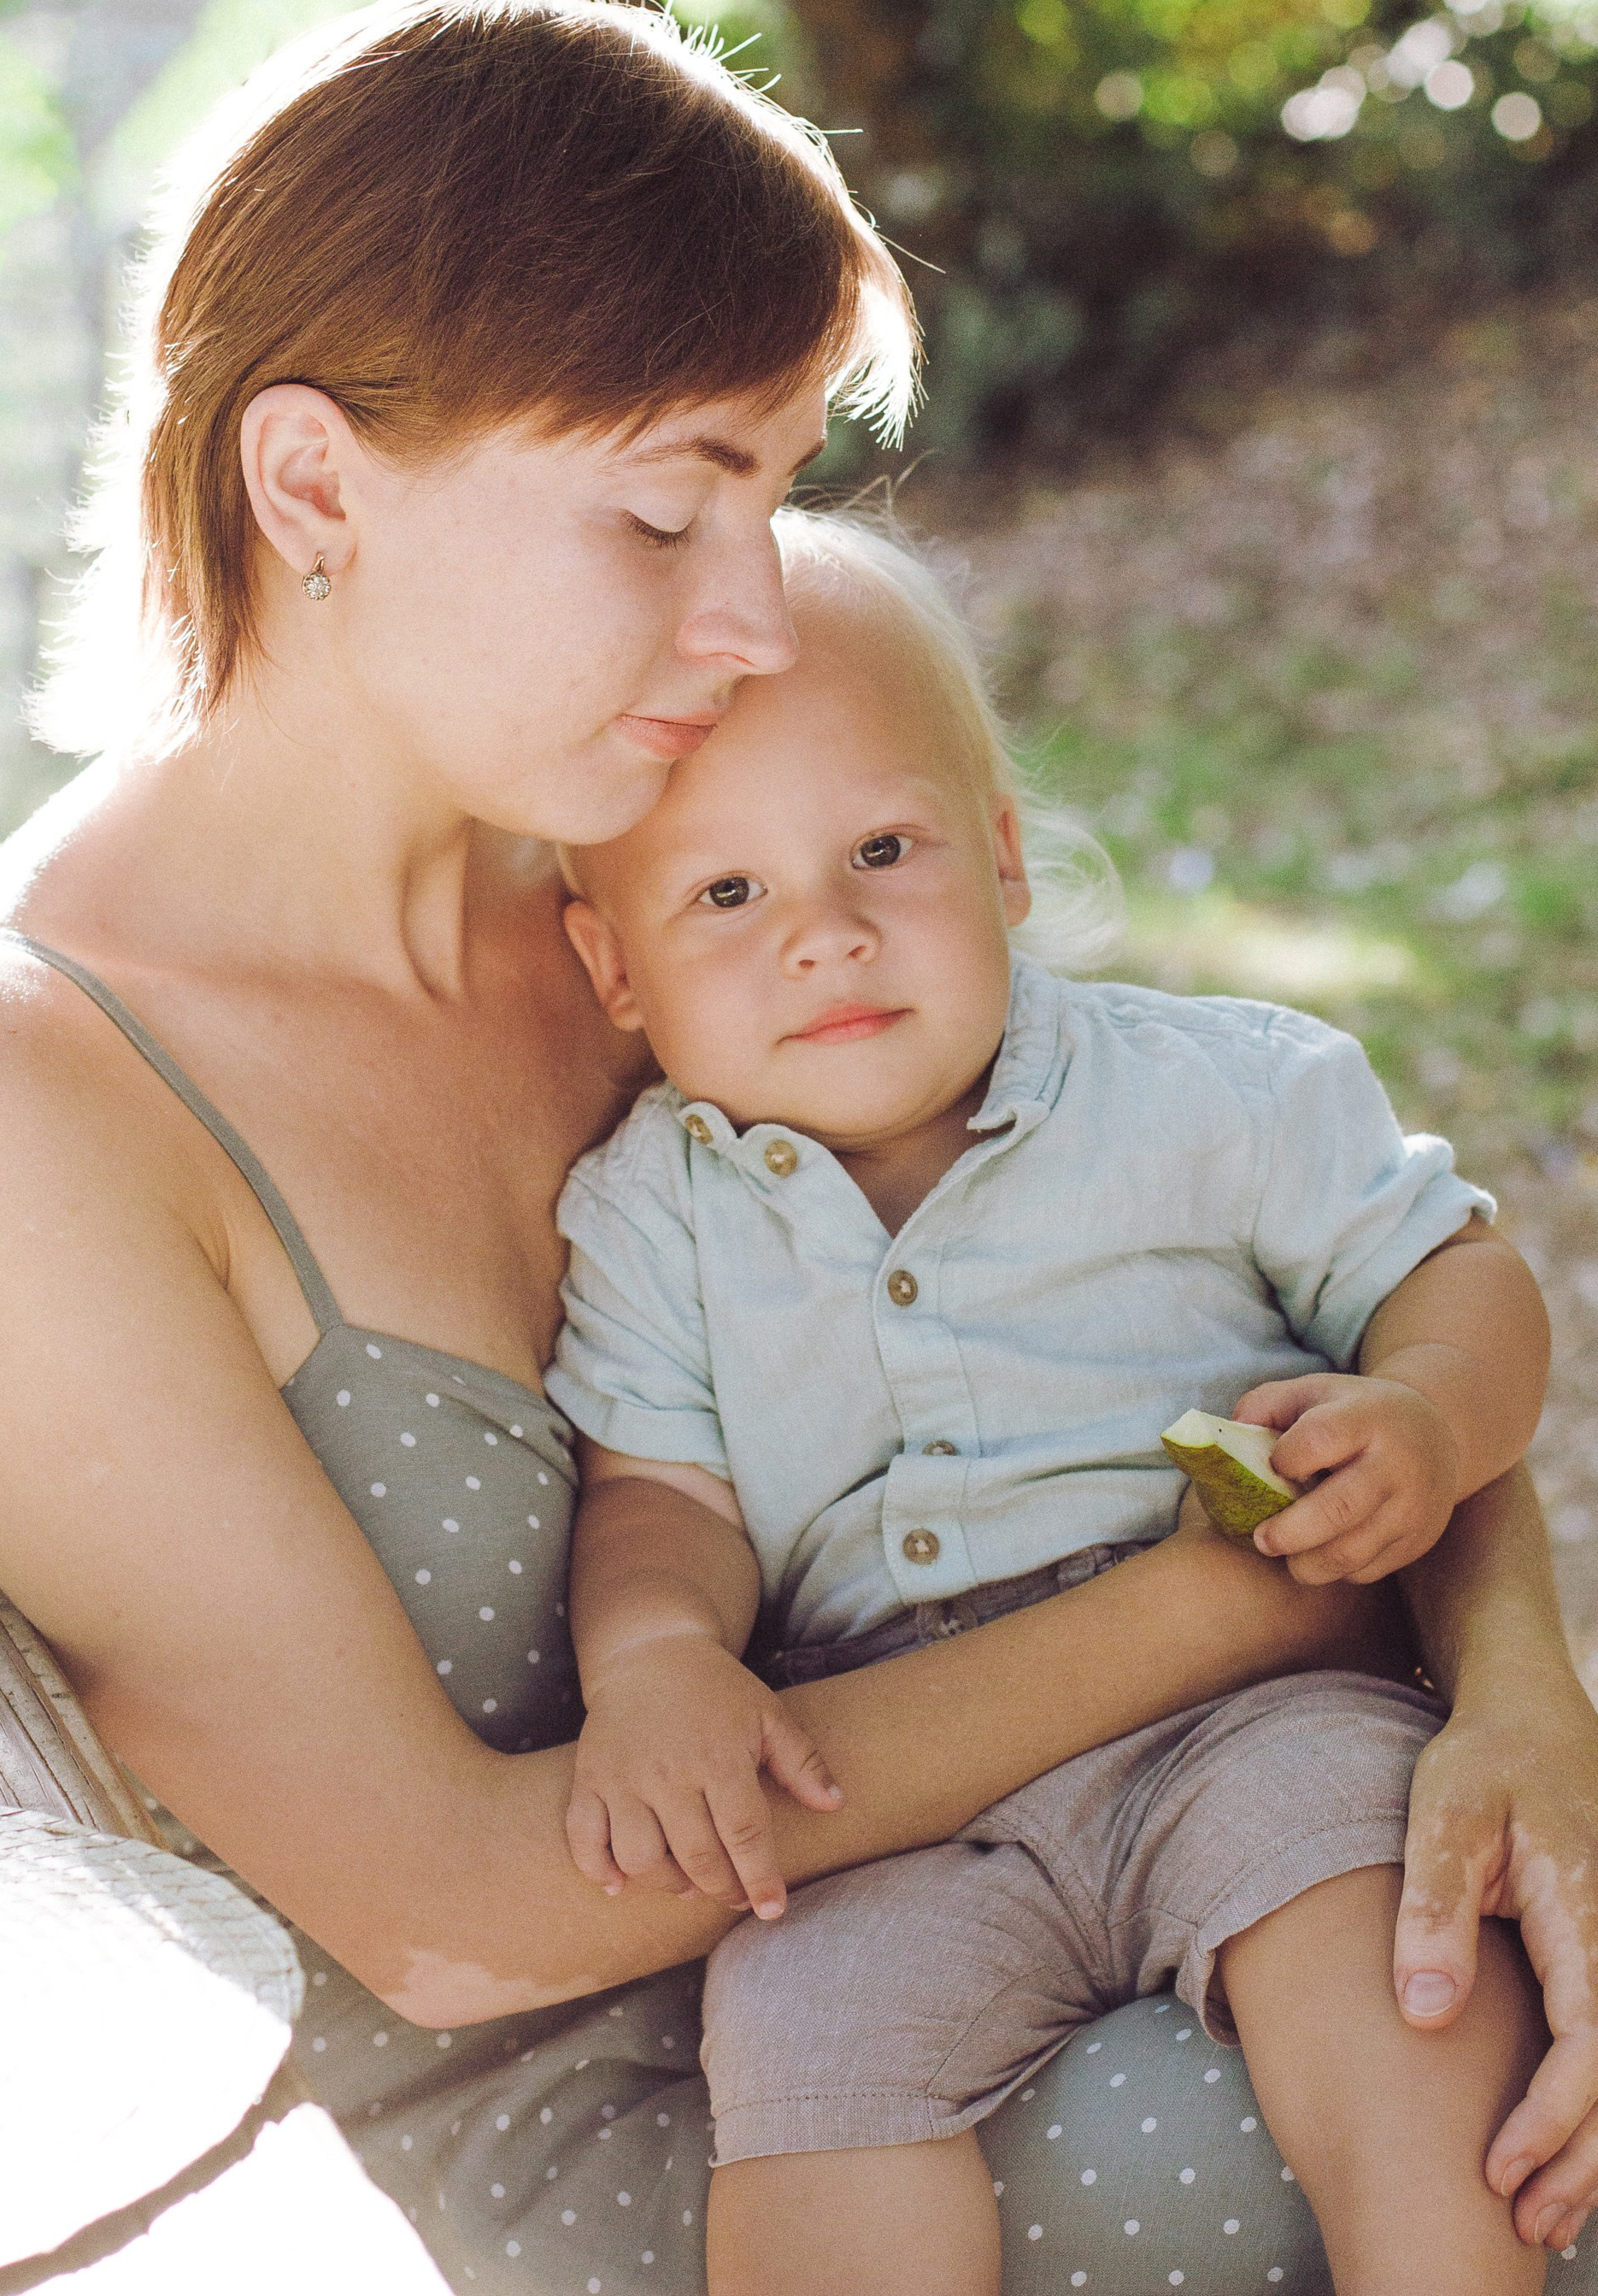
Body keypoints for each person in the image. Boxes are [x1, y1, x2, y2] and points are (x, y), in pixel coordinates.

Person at [0, 0, 1595, 2296]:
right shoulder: (0, 1113)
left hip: (1076, 1885)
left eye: (776, 500)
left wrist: (1518, 1703)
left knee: (1462, 1974)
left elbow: (1251, 1237)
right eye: (669, 509)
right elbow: (462, 1914)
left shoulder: (659, 876)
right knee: (1436, 2106)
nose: (753, 612)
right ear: (312, 485)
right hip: (582, 2154)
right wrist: (1238, 1603)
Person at [547, 513, 1552, 2295]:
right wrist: (655, 1659)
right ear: (613, 968)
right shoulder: (647, 1212)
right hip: (886, 1776)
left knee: (1400, 1980)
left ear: (1000, 857)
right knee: (800, 2054)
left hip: (1259, 1714)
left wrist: (1426, 1415)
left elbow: (1455, 1276)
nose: (826, 936)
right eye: (726, 894)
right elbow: (661, 1499)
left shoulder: (1213, 1093)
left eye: (881, 848)